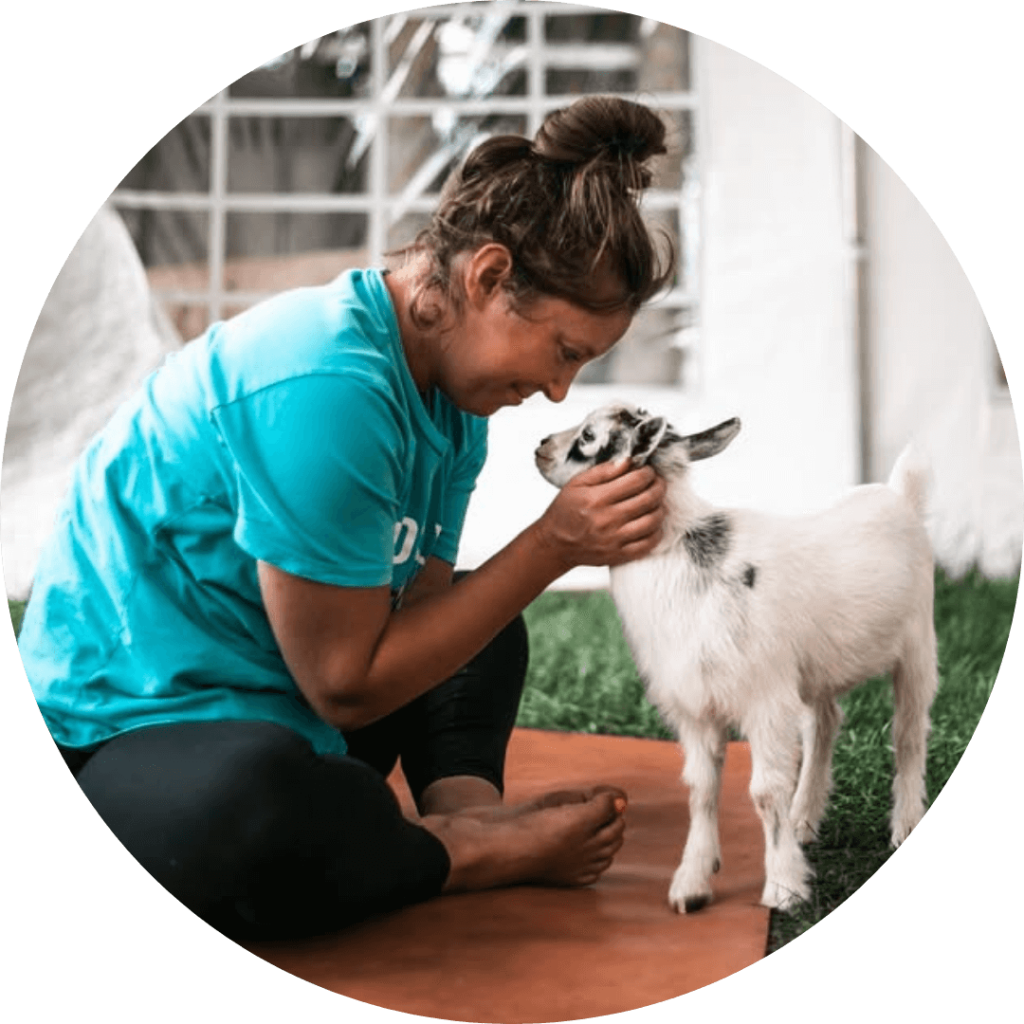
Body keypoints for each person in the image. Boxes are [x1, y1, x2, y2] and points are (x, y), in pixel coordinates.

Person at [18, 95, 674, 942]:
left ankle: (463, 814)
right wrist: (553, 545)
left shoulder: (452, 404)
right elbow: (347, 684)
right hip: (132, 736)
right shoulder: (328, 383)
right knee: (255, 805)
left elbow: (419, 623)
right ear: (487, 278)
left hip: (290, 707)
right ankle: (457, 854)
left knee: (484, 628)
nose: (558, 392)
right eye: (564, 352)